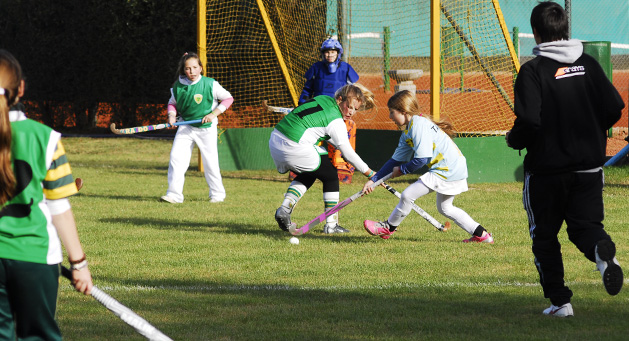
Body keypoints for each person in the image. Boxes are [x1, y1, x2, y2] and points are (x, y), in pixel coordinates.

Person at [506, 2, 624, 317]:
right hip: (588, 167)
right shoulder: (588, 63)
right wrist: (594, 132)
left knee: (545, 235)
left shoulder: (532, 70)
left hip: (547, 170)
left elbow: (529, 122)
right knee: (585, 226)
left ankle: (561, 304)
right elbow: (614, 106)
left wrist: (514, 139)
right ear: (565, 30)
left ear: (536, 32)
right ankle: (604, 258)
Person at [0, 49, 93, 340]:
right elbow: (58, 207)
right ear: (22, 88)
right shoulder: (45, 137)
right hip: (36, 256)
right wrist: (79, 263)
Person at [362, 90, 493, 243]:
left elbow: (422, 159)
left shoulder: (418, 125)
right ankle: (482, 235)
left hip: (446, 169)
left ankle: (388, 227)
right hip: (454, 167)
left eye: (392, 112)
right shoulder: (408, 131)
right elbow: (394, 161)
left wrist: (402, 170)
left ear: (404, 112)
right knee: (445, 208)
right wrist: (374, 180)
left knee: (407, 195)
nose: (390, 117)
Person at [270, 84, 376, 234]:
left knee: (312, 171)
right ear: (340, 100)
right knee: (331, 175)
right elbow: (348, 153)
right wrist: (371, 174)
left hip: (276, 139)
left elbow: (328, 136)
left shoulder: (323, 99)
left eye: (355, 109)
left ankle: (284, 209)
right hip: (294, 144)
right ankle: (331, 225)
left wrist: (341, 146)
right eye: (349, 107)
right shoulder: (336, 121)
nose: (351, 112)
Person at [160, 52, 234, 204]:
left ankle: (217, 195)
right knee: (176, 158)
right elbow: (172, 103)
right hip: (186, 126)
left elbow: (228, 98)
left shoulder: (210, 84)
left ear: (201, 68)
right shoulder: (177, 86)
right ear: (183, 70)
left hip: (206, 128)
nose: (191, 71)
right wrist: (172, 116)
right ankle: (174, 195)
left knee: (210, 161)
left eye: (195, 67)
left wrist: (213, 114)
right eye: (188, 68)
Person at [299, 38, 360, 184]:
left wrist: (350, 107)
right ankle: (302, 169)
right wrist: (302, 105)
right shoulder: (316, 68)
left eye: (332, 52)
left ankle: (342, 169)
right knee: (309, 139)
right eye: (327, 52)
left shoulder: (346, 68)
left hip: (339, 113)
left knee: (342, 138)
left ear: (338, 53)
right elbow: (307, 90)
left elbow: (353, 91)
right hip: (317, 112)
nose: (329, 55)